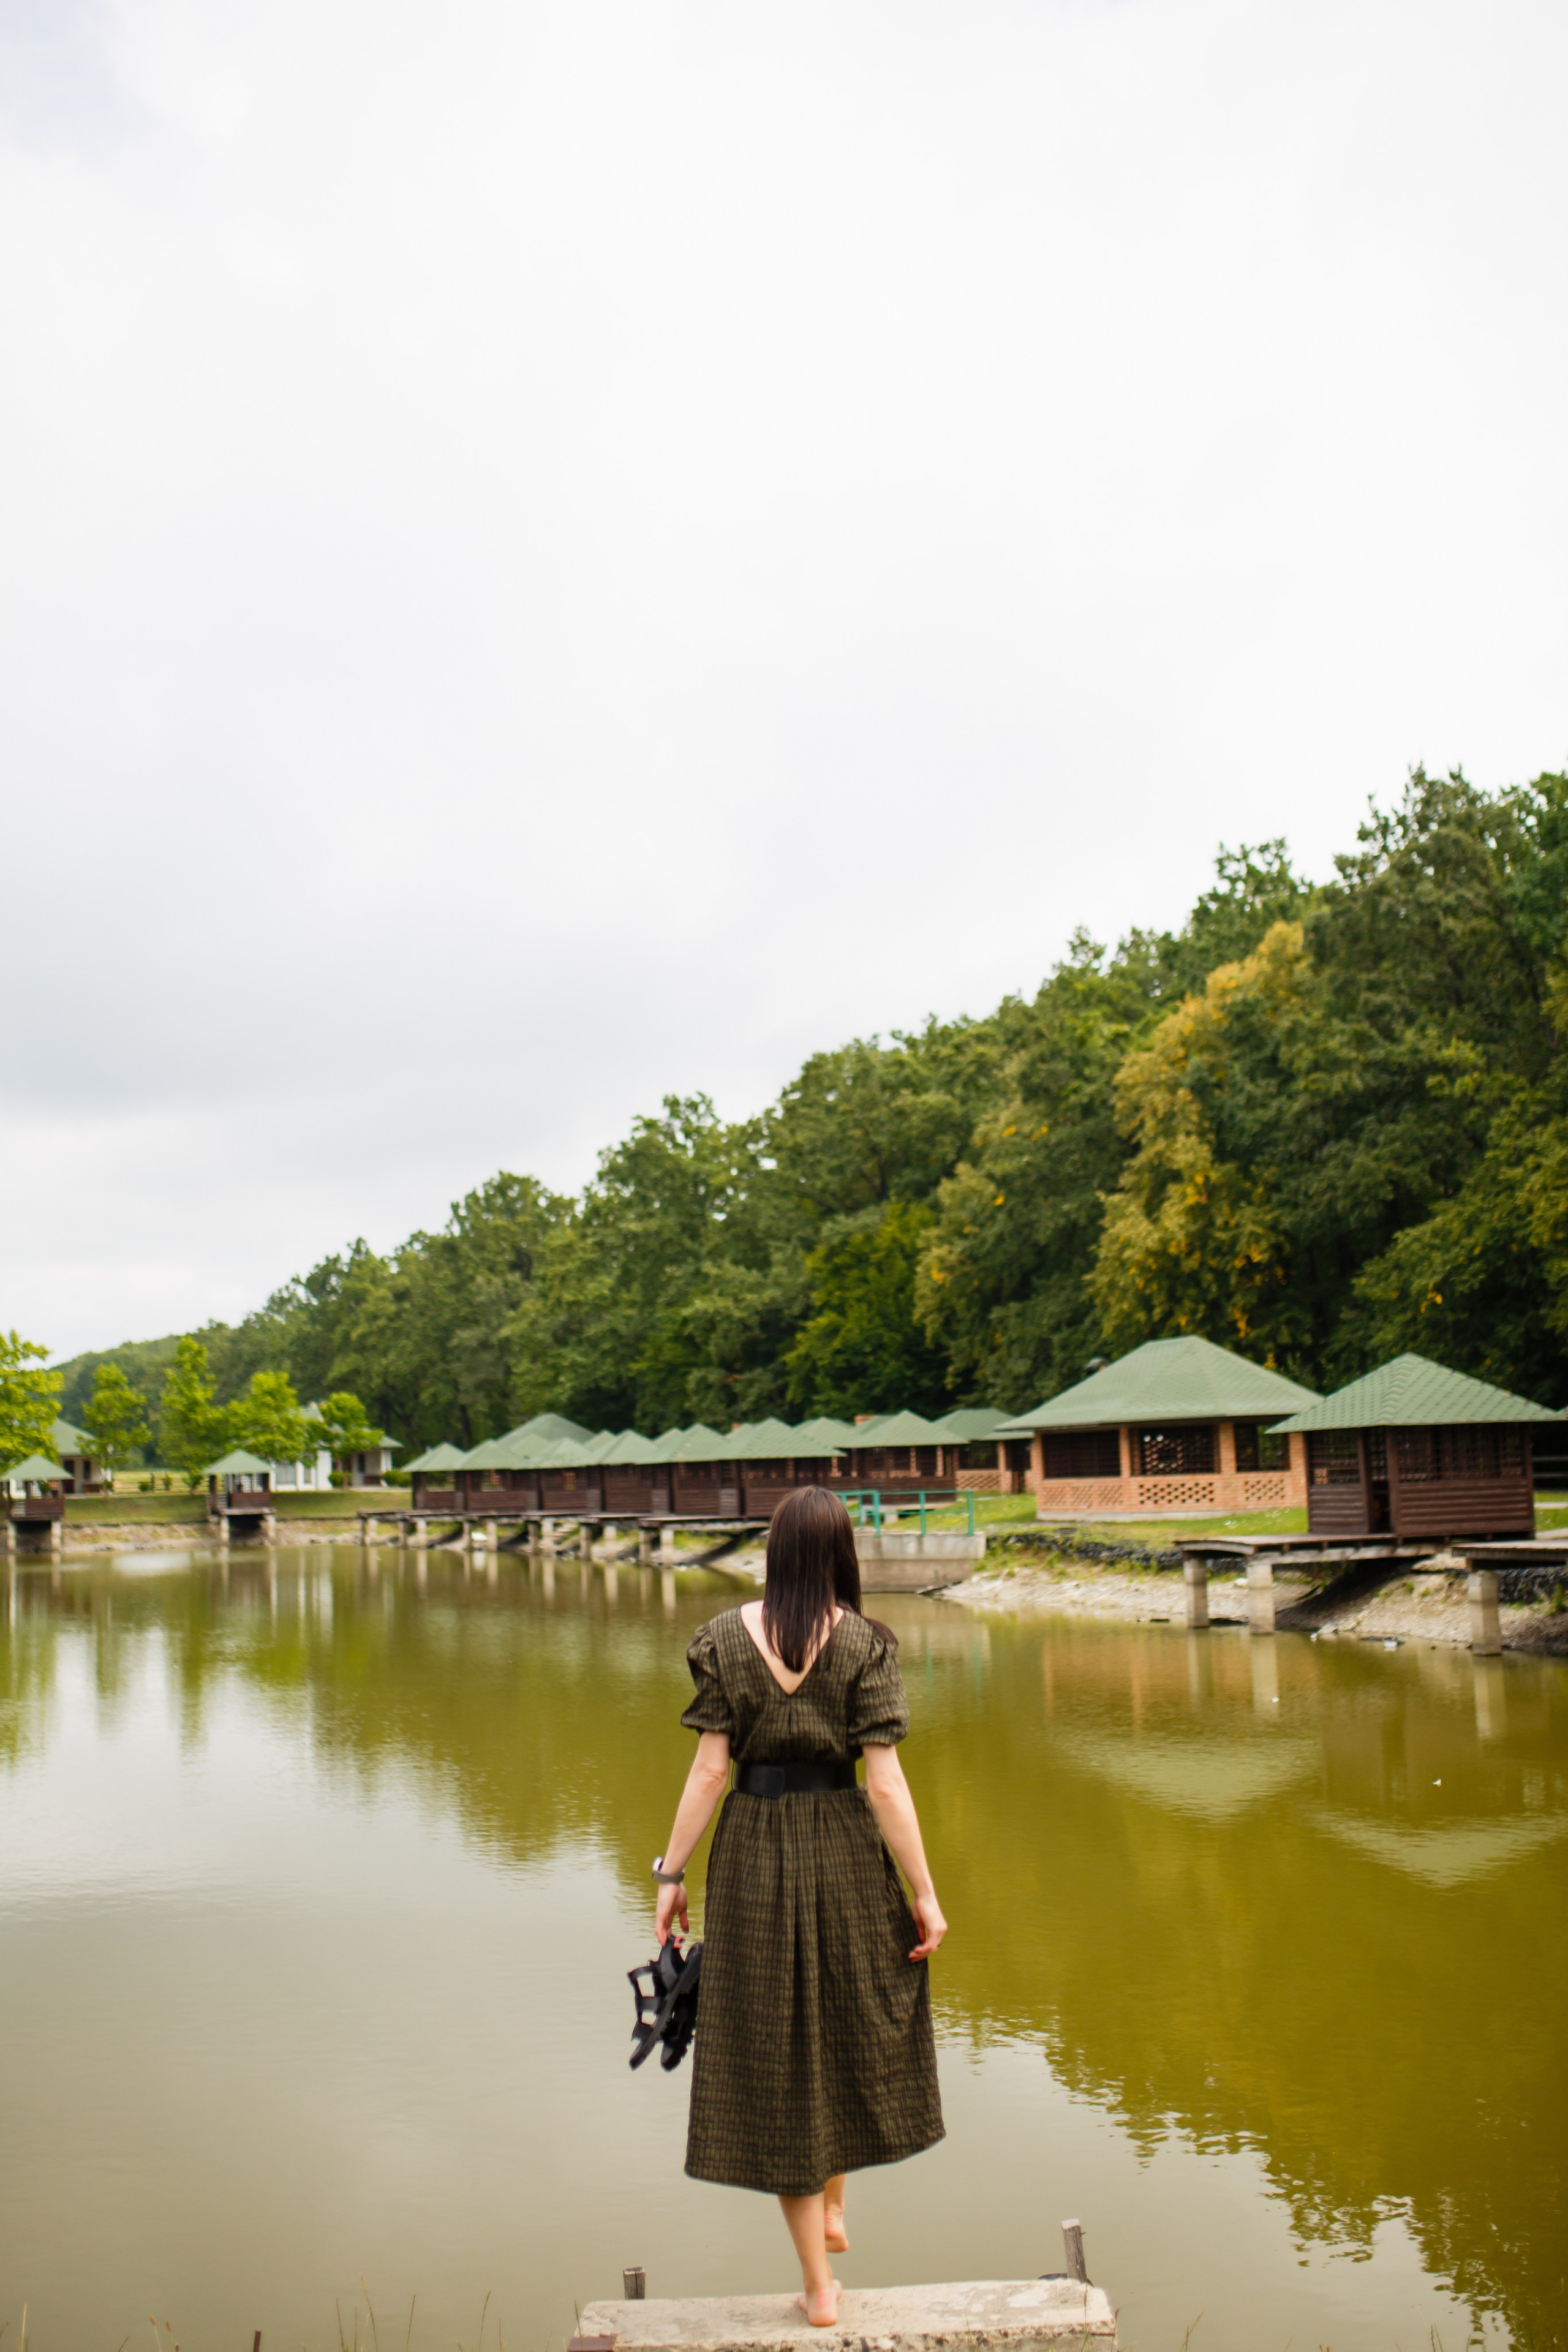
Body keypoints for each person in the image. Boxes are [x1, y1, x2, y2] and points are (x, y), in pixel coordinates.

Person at [652, 1485, 947, 2326]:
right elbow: (886, 1787)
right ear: (842, 1554)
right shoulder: (866, 1644)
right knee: (847, 2019)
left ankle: (818, 2285)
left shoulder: (719, 1639)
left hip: (750, 1856)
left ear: (776, 1551)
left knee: (779, 2055)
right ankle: (838, 2204)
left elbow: (711, 1772)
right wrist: (925, 1894)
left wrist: (671, 1877)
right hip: (846, 1849)